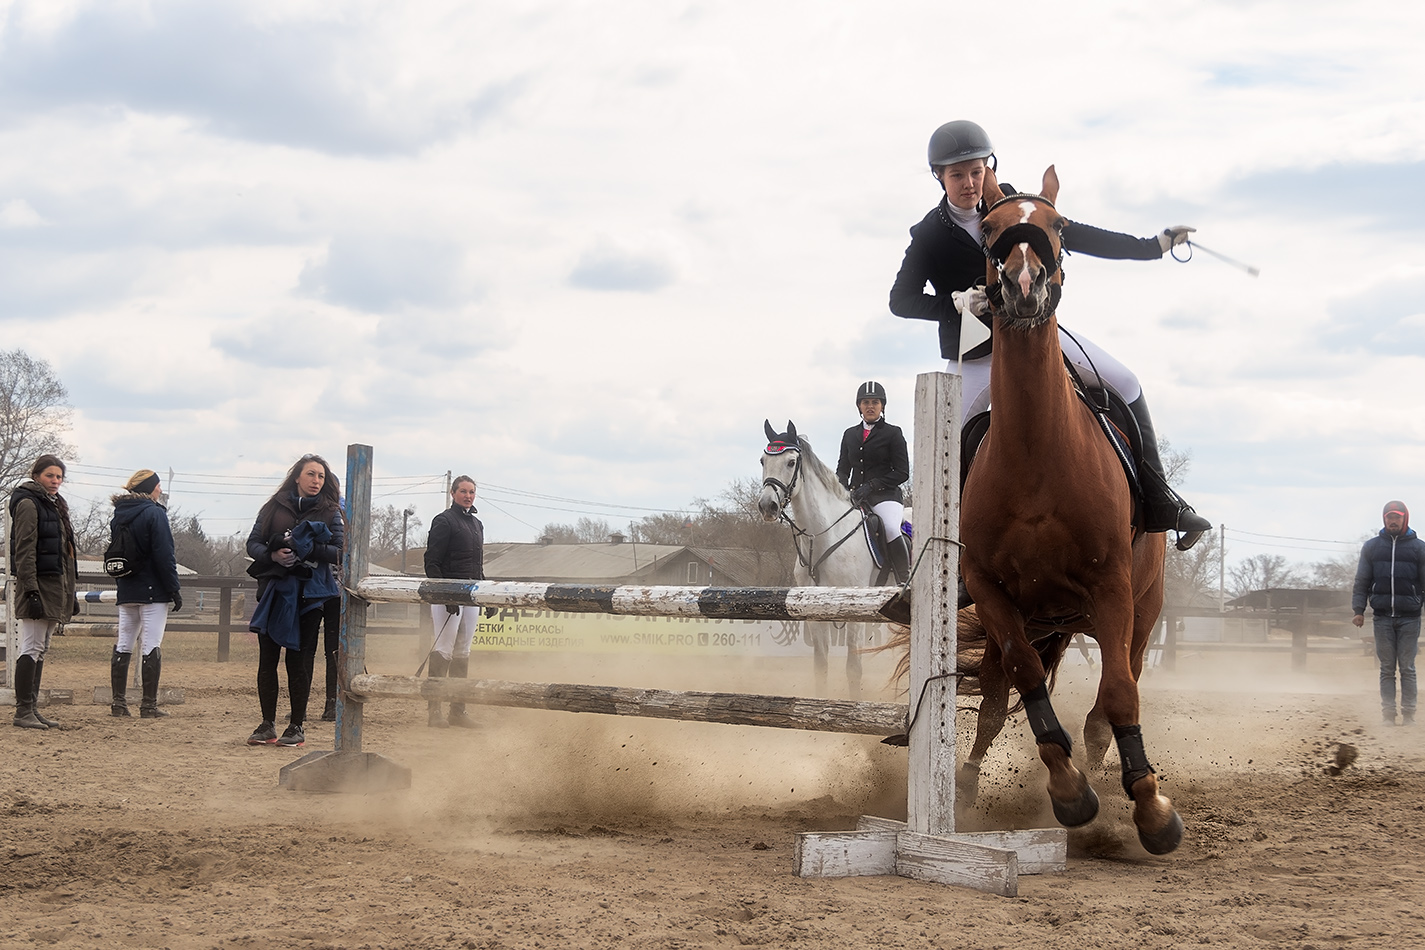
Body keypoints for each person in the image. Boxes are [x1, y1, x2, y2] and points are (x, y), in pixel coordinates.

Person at [889, 119, 1212, 551]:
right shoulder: (929, 234)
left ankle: (1159, 500)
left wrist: (1151, 245)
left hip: (1039, 340)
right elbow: (900, 300)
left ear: (988, 168)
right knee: (946, 445)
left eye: (976, 171)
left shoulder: (1014, 206)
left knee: (1128, 382)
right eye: (957, 175)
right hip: (977, 353)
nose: (969, 182)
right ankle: (949, 556)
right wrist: (953, 303)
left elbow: (1078, 235)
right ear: (939, 177)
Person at [244, 455, 345, 748]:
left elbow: (340, 551)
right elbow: (252, 543)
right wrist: (272, 554)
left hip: (311, 595)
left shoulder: (331, 511)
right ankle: (266, 725)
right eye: (311, 474)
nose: (316, 481)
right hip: (274, 589)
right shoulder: (273, 507)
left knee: (299, 661)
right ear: (297, 477)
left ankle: (296, 726)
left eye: (321, 477)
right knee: (267, 659)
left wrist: (308, 547)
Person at [8, 454, 78, 730]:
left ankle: (32, 708)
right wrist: (31, 591)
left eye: (59, 477)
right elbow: (24, 550)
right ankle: (23, 710)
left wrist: (68, 594)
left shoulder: (54, 505)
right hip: (38, 583)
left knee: (41, 648)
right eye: (50, 475)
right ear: (37, 475)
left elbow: (63, 554)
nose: (55, 481)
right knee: (32, 646)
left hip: (53, 584)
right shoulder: (28, 503)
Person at [108, 469, 182, 718]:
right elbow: (164, 555)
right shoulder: (154, 513)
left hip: (126, 588)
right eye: (158, 485)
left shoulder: (119, 515)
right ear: (151, 488)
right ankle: (148, 705)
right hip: (153, 591)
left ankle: (118, 703)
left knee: (124, 643)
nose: (160, 489)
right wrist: (173, 588)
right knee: (151, 645)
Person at [1352, 501, 1425, 726]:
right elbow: (1362, 580)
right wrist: (1359, 610)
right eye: (1389, 517)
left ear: (1405, 519)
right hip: (1382, 616)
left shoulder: (1419, 548)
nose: (1393, 521)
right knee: (1386, 668)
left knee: (1407, 667)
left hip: (1410, 617)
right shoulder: (1372, 547)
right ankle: (1388, 714)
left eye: (1397, 517)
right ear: (1384, 519)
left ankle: (1410, 714)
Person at [422, 475, 485, 729]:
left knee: (463, 651)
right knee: (444, 649)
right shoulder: (444, 521)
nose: (468, 496)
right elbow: (432, 562)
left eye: (471, 492)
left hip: (471, 595)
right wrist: (445, 594)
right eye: (463, 491)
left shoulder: (477, 524)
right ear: (453, 493)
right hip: (448, 595)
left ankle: (458, 710)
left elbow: (477, 564)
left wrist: (485, 594)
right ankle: (434, 710)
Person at [835, 381, 911, 584]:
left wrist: (872, 485)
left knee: (891, 527)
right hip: (855, 496)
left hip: (885, 496)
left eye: (875, 402)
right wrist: (842, 487)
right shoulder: (849, 434)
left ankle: (905, 579)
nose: (870, 406)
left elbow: (902, 472)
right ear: (859, 406)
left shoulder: (893, 433)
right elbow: (843, 468)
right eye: (866, 402)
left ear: (882, 406)